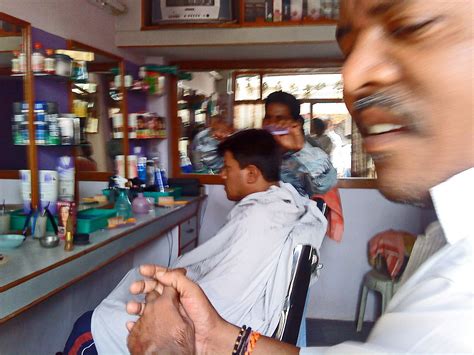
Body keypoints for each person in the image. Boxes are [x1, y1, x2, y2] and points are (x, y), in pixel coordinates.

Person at [126, 0, 473, 353]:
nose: (352, 77)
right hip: (261, 244)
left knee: (289, 308)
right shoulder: (257, 149)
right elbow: (205, 161)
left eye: (411, 26)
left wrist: (300, 147)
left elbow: (325, 183)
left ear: (295, 121)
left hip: (289, 251)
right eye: (269, 118)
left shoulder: (306, 152)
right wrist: (210, 134)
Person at [64, 129, 327, 354]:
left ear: (251, 173)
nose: (222, 175)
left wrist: (172, 297)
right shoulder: (279, 205)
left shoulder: (260, 218)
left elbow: (223, 300)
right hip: (237, 321)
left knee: (87, 329)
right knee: (136, 282)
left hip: (221, 327)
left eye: (227, 168)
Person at [263, 91, 337, 197]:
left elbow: (324, 186)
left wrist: (300, 150)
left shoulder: (311, 153)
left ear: (296, 123)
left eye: (280, 119)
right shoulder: (259, 151)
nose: (272, 124)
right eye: (268, 117)